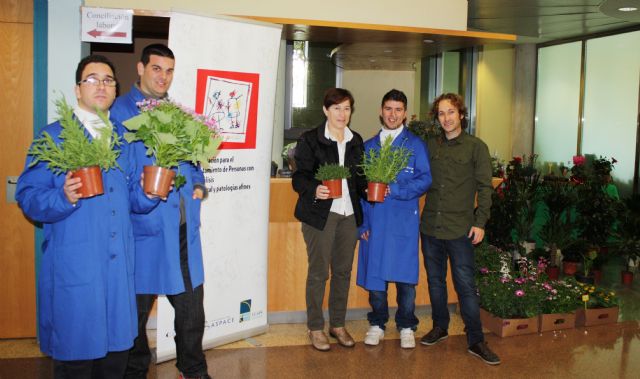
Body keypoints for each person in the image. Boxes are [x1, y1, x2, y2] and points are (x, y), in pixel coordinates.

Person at [15, 55, 159, 378]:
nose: (101, 86)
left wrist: (149, 195)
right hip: (76, 272)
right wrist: (61, 196)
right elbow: (27, 196)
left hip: (118, 277)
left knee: (116, 362)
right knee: (76, 362)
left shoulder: (123, 138)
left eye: (108, 80)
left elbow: (130, 200)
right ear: (77, 90)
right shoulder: (53, 136)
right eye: (92, 79)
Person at [111, 44, 211, 379]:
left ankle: (193, 369)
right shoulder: (119, 114)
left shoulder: (178, 113)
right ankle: (134, 371)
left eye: (169, 70)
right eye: (156, 69)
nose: (163, 77)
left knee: (191, 309)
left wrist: (198, 183)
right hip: (143, 228)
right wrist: (143, 190)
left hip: (181, 226)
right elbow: (116, 174)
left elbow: (194, 161)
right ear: (140, 69)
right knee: (135, 312)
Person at [419, 93, 500, 365]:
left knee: (465, 286)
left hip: (461, 230)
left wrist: (481, 222)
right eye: (441, 113)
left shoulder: (476, 147)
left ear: (461, 115)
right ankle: (440, 327)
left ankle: (476, 339)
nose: (446, 118)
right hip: (431, 226)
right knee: (435, 281)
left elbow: (485, 188)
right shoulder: (430, 146)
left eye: (451, 112)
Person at [292, 88, 368, 351]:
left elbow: (360, 179)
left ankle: (337, 324)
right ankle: (315, 327)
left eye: (346, 108)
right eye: (336, 108)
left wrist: (373, 187)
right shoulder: (310, 139)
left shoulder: (355, 140)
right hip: (320, 215)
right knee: (318, 273)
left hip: (349, 215)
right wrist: (314, 187)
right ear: (325, 110)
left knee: (343, 272)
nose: (342, 114)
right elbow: (299, 176)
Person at [356, 89, 431, 349]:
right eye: (388, 108)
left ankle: (407, 325)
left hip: (403, 222)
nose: (393, 114)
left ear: (405, 114)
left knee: (404, 277)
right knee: (376, 276)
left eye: (398, 110)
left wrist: (395, 190)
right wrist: (363, 223)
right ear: (381, 111)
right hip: (375, 221)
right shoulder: (368, 147)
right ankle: (377, 323)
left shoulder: (415, 145)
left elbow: (425, 179)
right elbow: (360, 189)